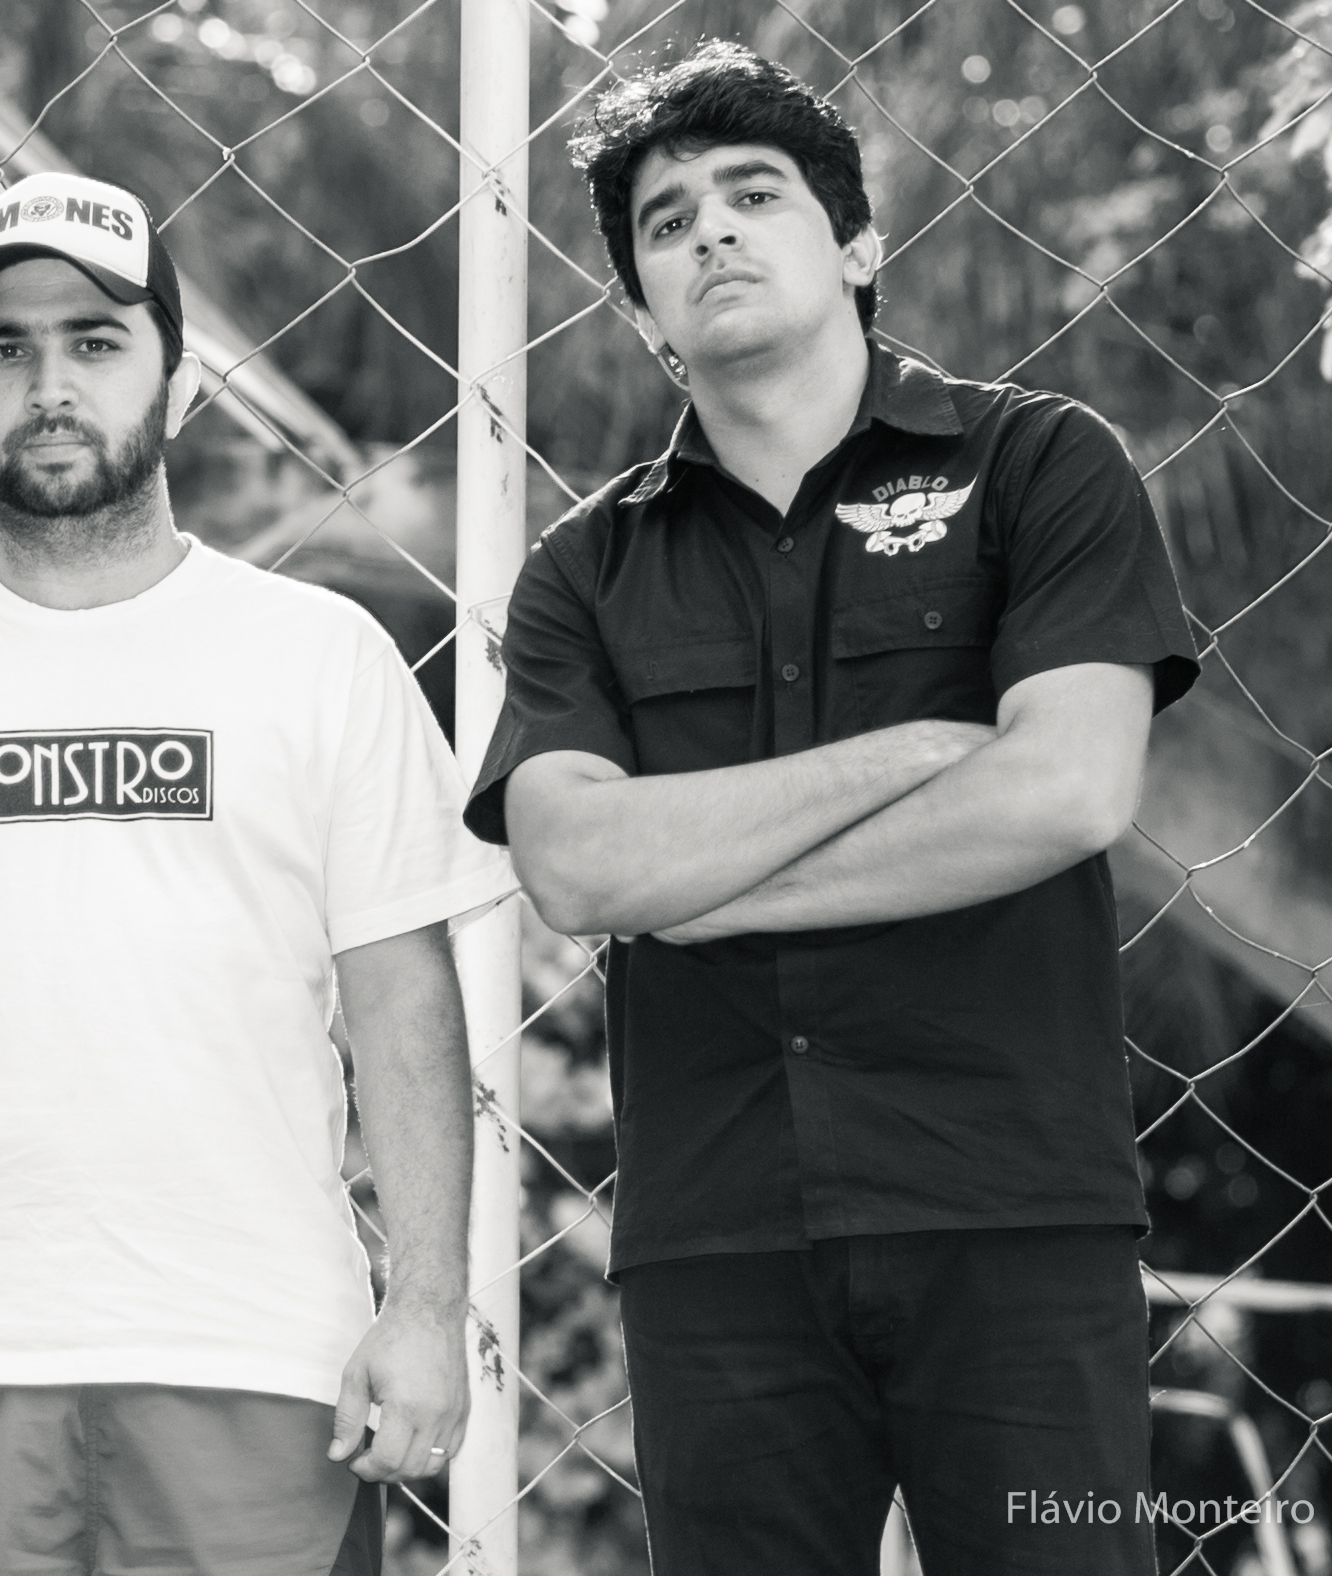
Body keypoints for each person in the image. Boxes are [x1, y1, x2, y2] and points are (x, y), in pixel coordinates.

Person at [0, 170, 510, 1576]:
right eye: (4, 348)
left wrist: (429, 1305)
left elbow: (401, 1001)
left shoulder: (321, 659)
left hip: (258, 1355)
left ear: (179, 383)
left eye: (95, 341)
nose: (49, 383)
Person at [464, 42, 1202, 1575]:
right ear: (642, 309)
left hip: (1011, 1218)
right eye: (668, 223)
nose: (712, 234)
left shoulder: (1039, 467)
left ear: (859, 244)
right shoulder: (585, 571)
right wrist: (912, 754)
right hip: (719, 1245)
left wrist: (702, 883)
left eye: (756, 196)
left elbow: (1066, 788)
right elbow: (577, 863)